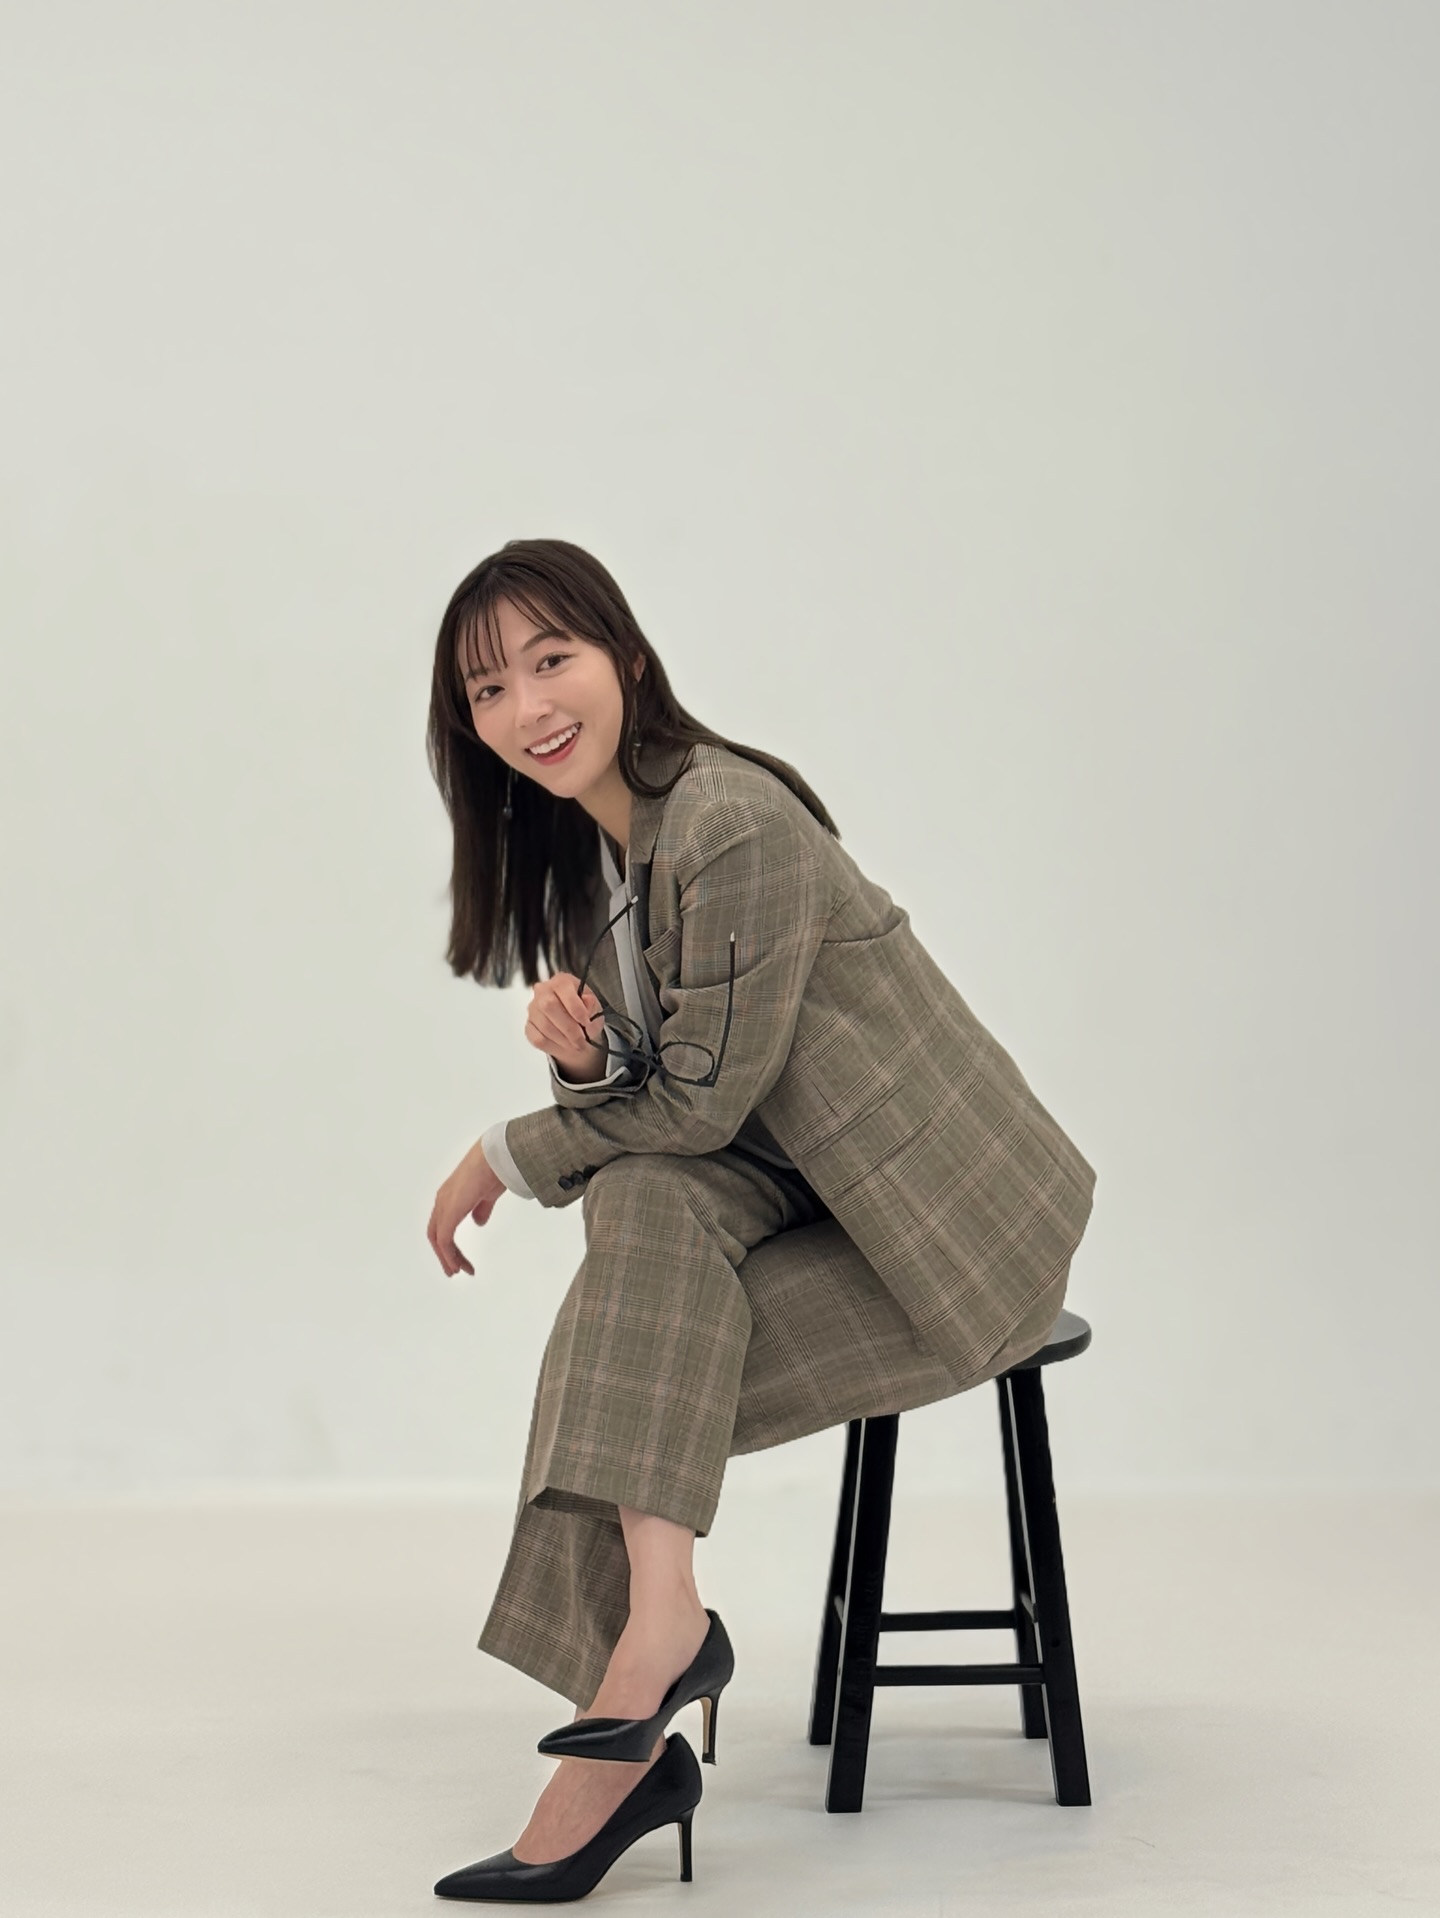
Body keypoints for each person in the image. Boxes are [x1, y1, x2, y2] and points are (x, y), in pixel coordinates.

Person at [423, 538, 1098, 1900]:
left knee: (629, 1364)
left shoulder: (727, 820)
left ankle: (630, 1721)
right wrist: (584, 1059)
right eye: (489, 689)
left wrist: (506, 1151)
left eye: (552, 659)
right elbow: (675, 1099)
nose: (527, 707)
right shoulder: (607, 854)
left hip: (955, 1236)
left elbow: (700, 1102)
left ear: (626, 655)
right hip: (812, 1193)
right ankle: (660, 1635)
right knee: (644, 1230)